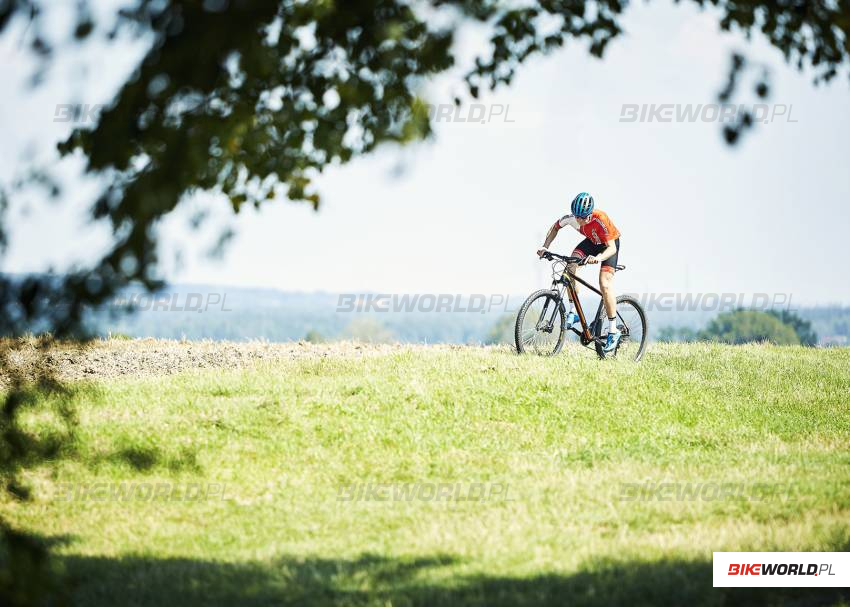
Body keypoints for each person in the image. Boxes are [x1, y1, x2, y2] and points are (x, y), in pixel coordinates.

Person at [536, 192, 622, 353]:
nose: (579, 221)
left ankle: (613, 331)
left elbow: (612, 248)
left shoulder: (601, 219)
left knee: (604, 283)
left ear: (590, 214)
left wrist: (598, 258)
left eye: (582, 217)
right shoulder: (572, 218)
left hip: (608, 245)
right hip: (591, 242)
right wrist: (545, 247)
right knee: (570, 267)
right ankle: (572, 312)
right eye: (577, 217)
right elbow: (555, 228)